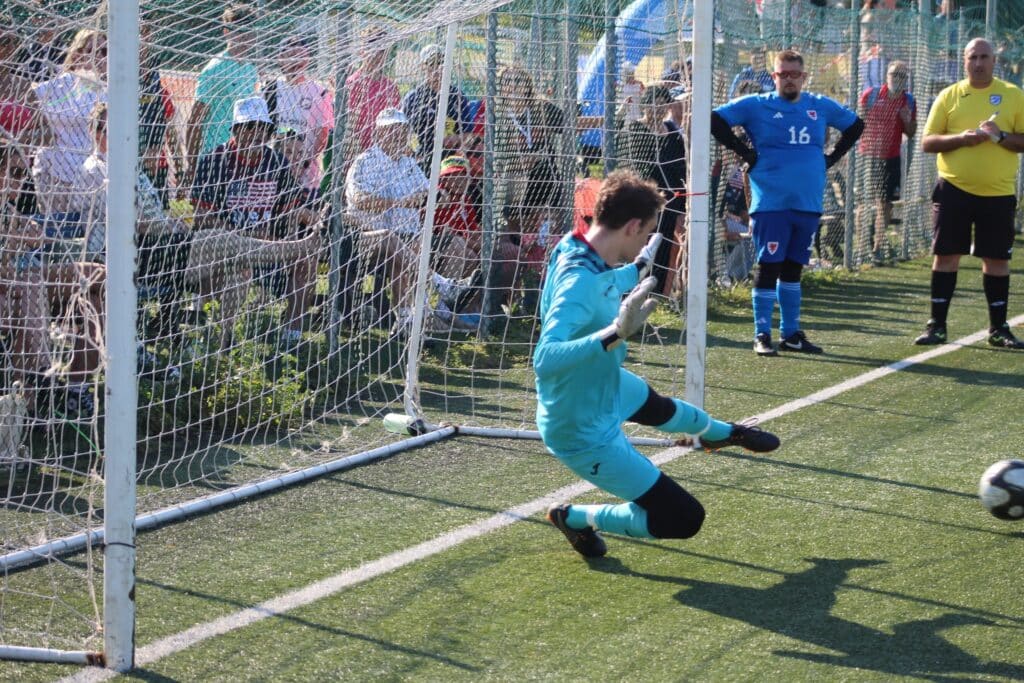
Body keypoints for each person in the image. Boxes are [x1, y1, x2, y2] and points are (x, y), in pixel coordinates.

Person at [537, 171, 780, 558]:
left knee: (656, 406)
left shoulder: (573, 245)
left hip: (602, 383)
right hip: (579, 426)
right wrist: (615, 333)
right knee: (683, 518)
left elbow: (591, 282)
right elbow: (545, 359)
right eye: (647, 230)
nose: (646, 239)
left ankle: (723, 432)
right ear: (632, 225)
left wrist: (634, 269)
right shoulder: (578, 280)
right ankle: (575, 517)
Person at [711, 48, 864, 357]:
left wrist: (832, 158)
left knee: (794, 268)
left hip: (807, 202)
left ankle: (791, 333)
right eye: (783, 75)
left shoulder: (818, 105)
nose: (790, 80)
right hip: (771, 202)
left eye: (795, 75)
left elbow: (855, 125)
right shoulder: (757, 105)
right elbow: (715, 119)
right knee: (769, 266)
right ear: (774, 76)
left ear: (804, 77)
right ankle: (762, 333)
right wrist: (745, 152)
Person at [914, 38, 1024, 349]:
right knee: (946, 257)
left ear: (994, 61)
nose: (978, 63)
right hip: (953, 189)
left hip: (998, 193)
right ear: (964, 61)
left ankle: (999, 329)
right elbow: (927, 142)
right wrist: (962, 138)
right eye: (972, 57)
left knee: (996, 260)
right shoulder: (950, 96)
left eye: (984, 57)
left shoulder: (1013, 95)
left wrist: (999, 136)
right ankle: (937, 326)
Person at [191, 96, 320, 348]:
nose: (256, 133)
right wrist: (241, 237)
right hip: (225, 245)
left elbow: (293, 205)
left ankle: (291, 336)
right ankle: (221, 336)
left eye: (262, 128)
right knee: (240, 266)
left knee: (307, 257)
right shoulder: (214, 161)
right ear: (236, 129)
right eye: (249, 127)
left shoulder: (275, 162)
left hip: (267, 245)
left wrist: (318, 221)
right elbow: (201, 216)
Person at [615, 86, 686, 296]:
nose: (659, 108)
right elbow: (636, 164)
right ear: (645, 105)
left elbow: (680, 167)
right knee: (641, 243)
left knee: (665, 244)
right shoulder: (636, 130)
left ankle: (659, 292)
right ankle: (632, 289)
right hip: (643, 198)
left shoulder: (674, 134)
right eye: (655, 103)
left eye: (664, 103)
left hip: (670, 199)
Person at [184, 4, 259, 188]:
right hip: (213, 160)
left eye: (249, 32)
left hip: (239, 160)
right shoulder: (215, 69)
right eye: (240, 31)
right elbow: (194, 121)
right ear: (227, 32)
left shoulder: (251, 70)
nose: (245, 37)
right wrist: (193, 166)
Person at [264, 34, 333, 205]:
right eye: (290, 55)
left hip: (306, 177)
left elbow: (322, 134)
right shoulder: (270, 89)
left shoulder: (319, 92)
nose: (295, 61)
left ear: (307, 58)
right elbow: (263, 132)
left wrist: (302, 163)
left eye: (300, 55)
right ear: (280, 59)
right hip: (273, 175)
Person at [858, 60, 916, 263]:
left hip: (891, 156)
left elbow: (911, 133)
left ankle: (877, 246)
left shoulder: (908, 101)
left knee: (886, 204)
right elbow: (858, 123)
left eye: (902, 76)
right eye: (894, 74)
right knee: (864, 203)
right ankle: (861, 246)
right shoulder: (872, 95)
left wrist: (907, 119)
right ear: (887, 75)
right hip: (868, 155)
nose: (897, 79)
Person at [400, 44, 472, 173]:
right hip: (421, 158)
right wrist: (413, 154)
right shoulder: (413, 98)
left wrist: (456, 139)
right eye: (432, 64)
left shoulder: (457, 97)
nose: (437, 69)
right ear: (423, 67)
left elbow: (468, 133)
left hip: (451, 162)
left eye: (441, 64)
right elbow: (402, 134)